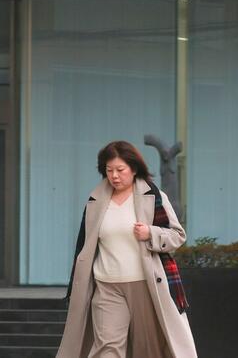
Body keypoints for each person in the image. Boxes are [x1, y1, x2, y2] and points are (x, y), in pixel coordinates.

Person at [56, 140, 197, 358]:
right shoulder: (95, 200)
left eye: (120, 170)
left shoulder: (153, 196)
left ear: (133, 168)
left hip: (145, 284)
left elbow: (177, 236)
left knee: (149, 350)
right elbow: (85, 245)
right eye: (109, 170)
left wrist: (151, 233)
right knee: (107, 348)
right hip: (106, 286)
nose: (114, 176)